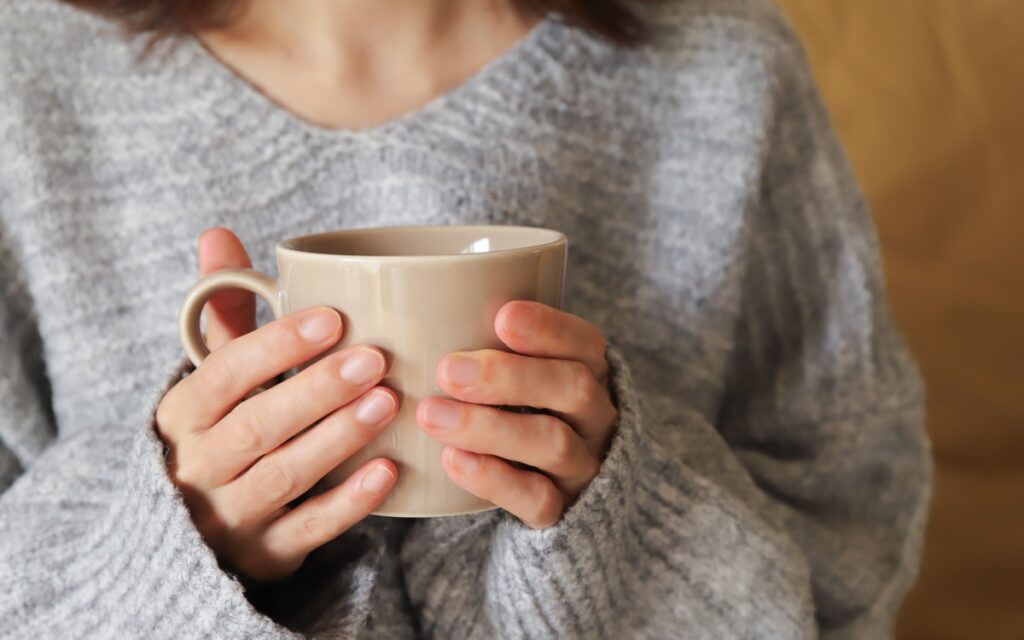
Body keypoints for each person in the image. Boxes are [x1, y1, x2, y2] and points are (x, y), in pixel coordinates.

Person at [0, 0, 933, 637]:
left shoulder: (727, 66)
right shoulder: (24, 76)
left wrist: (634, 521)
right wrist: (170, 551)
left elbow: (850, 533)